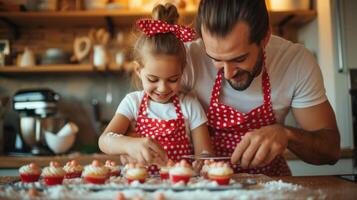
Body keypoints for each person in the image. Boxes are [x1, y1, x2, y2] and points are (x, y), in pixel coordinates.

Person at [179, 0, 340, 176]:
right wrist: (142, 141)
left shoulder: (295, 61)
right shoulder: (185, 60)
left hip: (270, 186)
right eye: (216, 59)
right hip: (202, 188)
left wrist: (286, 134)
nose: (228, 73)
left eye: (239, 59)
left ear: (265, 38)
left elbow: (330, 151)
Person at [98, 3, 213, 174]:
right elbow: (105, 140)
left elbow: (205, 153)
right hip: (140, 184)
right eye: (153, 79)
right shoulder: (133, 103)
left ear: (182, 72)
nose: (163, 87)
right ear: (138, 70)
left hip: (180, 185)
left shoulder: (190, 105)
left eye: (173, 79)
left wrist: (202, 162)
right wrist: (129, 145)